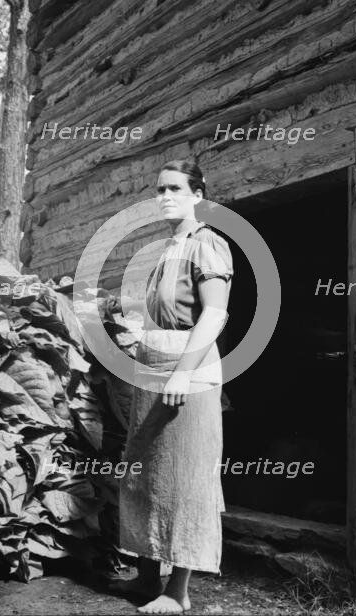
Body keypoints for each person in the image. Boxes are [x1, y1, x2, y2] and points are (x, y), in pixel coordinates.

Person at [113, 160, 233, 614]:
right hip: (152, 365)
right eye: (160, 190)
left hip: (189, 367)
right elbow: (159, 311)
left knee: (184, 473)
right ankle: (147, 578)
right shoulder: (166, 248)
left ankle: (177, 591)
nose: (165, 196)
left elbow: (214, 313)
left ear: (197, 195)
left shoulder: (208, 244)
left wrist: (183, 371)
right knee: (144, 469)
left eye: (175, 189)